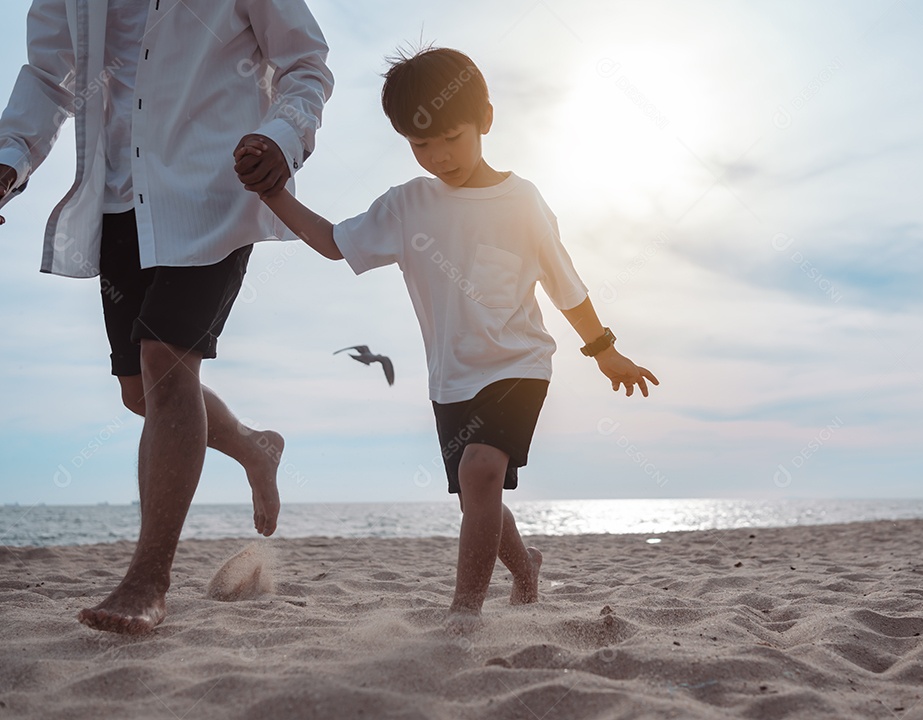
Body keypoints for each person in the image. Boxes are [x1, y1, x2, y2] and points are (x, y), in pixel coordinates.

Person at [235, 47, 658, 630]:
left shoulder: (523, 201)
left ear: (485, 119)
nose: (438, 157)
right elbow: (335, 242)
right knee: (478, 492)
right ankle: (525, 569)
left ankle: (463, 615)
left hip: (519, 365)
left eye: (450, 138)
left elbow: (565, 285)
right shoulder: (410, 203)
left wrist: (604, 350)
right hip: (450, 378)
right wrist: (272, 193)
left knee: (480, 471)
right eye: (420, 145)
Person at [0, 1, 334, 635]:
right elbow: (48, 77)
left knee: (164, 358)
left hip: (216, 190)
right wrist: (9, 159)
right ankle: (255, 446)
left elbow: (305, 64)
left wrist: (284, 137)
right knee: (141, 394)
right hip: (119, 203)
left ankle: (148, 579)